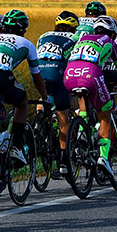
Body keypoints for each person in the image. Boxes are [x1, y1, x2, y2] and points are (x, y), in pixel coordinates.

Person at [64, 16, 117, 176]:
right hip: (90, 73)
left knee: (84, 104)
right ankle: (103, 157)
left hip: (69, 74)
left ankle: (81, 135)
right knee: (105, 116)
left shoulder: (82, 39)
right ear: (113, 34)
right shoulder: (110, 42)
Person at [0, 10, 50, 165]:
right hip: (1, 76)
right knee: (22, 101)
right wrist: (45, 97)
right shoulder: (27, 44)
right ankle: (17, 146)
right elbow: (37, 77)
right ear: (23, 29)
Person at [36, 12, 79, 171]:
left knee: (44, 95)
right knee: (63, 116)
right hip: (58, 72)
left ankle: (39, 120)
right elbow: (75, 61)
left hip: (40, 72)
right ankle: (62, 159)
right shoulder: (75, 38)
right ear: (74, 28)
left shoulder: (43, 36)